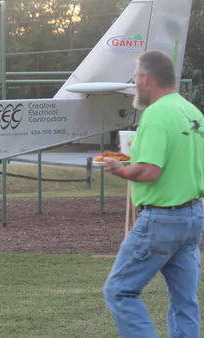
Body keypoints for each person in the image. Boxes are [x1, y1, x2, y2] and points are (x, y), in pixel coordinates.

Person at [103, 50, 204, 337]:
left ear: (147, 79)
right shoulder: (192, 112)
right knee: (185, 302)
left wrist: (120, 169)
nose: (134, 84)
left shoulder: (156, 115)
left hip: (161, 220)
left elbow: (149, 171)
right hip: (193, 218)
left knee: (119, 291)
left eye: (135, 77)